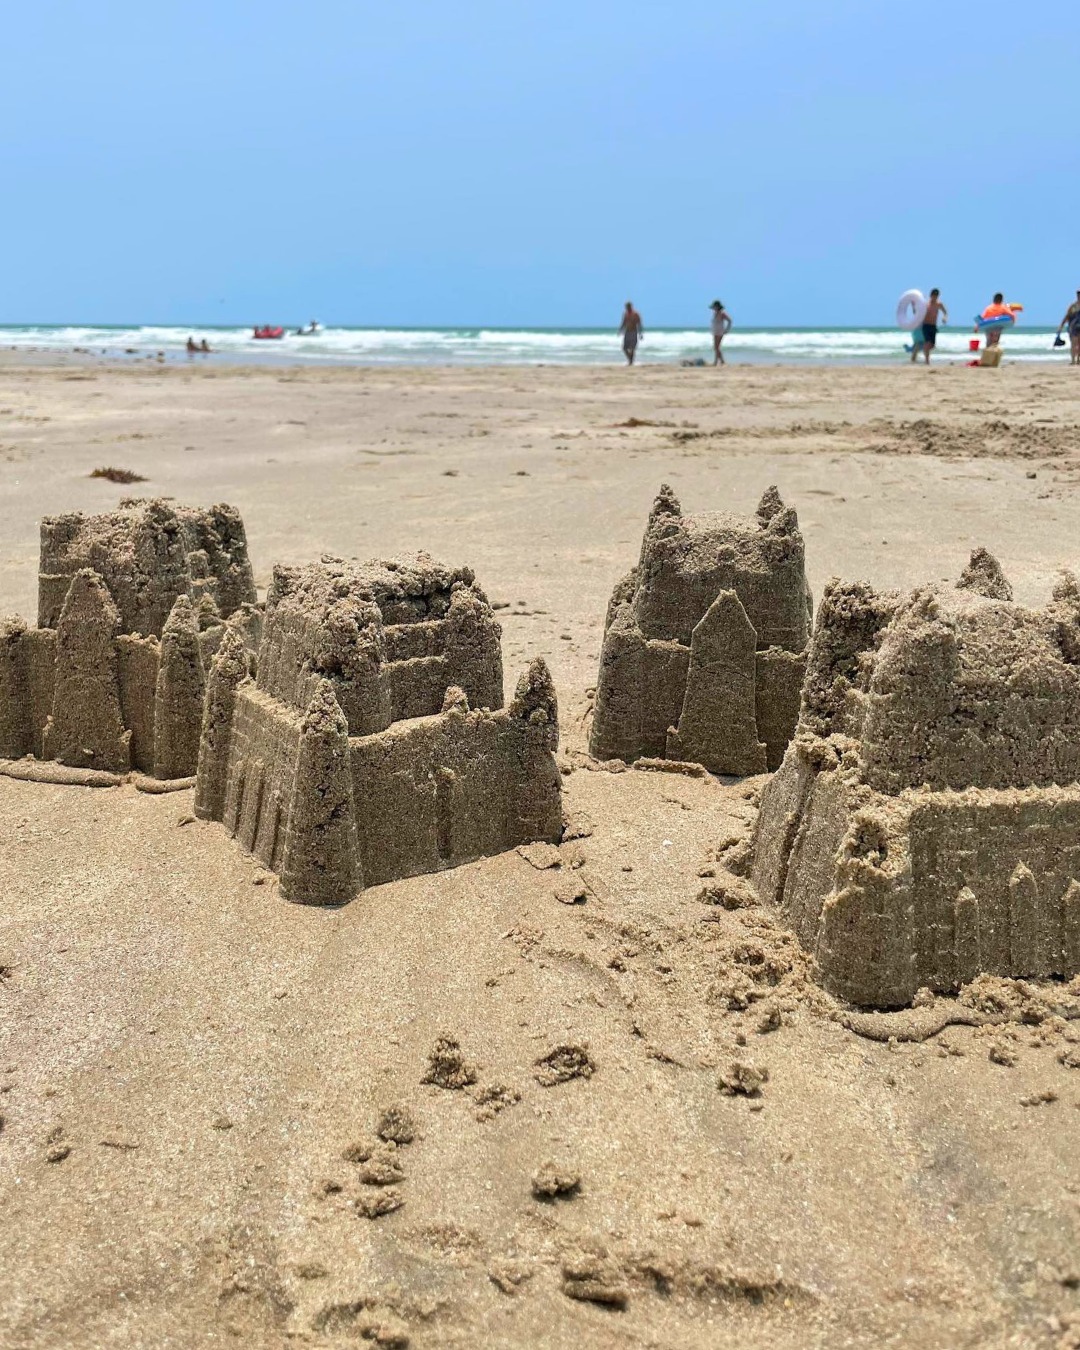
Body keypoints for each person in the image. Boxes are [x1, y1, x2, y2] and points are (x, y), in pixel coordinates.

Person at [914, 288, 947, 364]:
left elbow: (945, 312)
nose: (935, 297)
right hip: (926, 326)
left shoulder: (939, 304)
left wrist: (944, 318)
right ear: (930, 295)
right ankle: (927, 361)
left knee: (932, 345)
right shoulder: (926, 304)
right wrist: (914, 306)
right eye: (933, 295)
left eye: (936, 296)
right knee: (927, 343)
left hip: (933, 326)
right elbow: (917, 312)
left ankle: (921, 348)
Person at [1056, 290, 1080, 365]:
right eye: (1078, 295)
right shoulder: (1073, 306)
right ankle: (1073, 360)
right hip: (1073, 327)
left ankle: (1078, 360)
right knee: (1074, 344)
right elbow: (1067, 316)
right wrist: (1061, 326)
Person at [709, 300, 732, 364]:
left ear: (717, 306)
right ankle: (721, 361)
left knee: (716, 347)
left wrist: (727, 329)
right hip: (715, 331)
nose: (714, 308)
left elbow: (729, 320)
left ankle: (716, 361)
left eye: (715, 306)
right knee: (716, 347)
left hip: (720, 331)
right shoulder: (715, 313)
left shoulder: (722, 313)